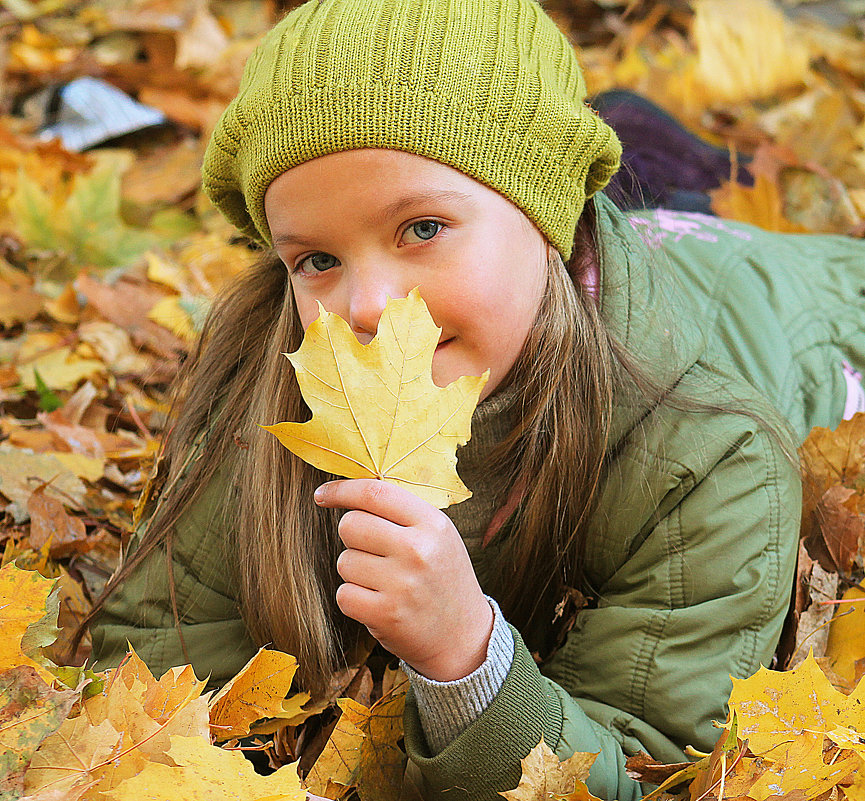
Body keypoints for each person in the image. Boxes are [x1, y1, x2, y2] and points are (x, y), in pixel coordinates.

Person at [87, 1, 865, 798]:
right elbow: (145, 678)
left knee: (733, 223)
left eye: (420, 228)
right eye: (317, 257)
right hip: (595, 254)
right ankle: (641, 149)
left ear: (547, 218)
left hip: (814, 308)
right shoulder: (272, 395)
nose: (364, 305)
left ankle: (658, 155)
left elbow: (647, 768)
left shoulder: (707, 460)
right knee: (655, 184)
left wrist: (465, 659)